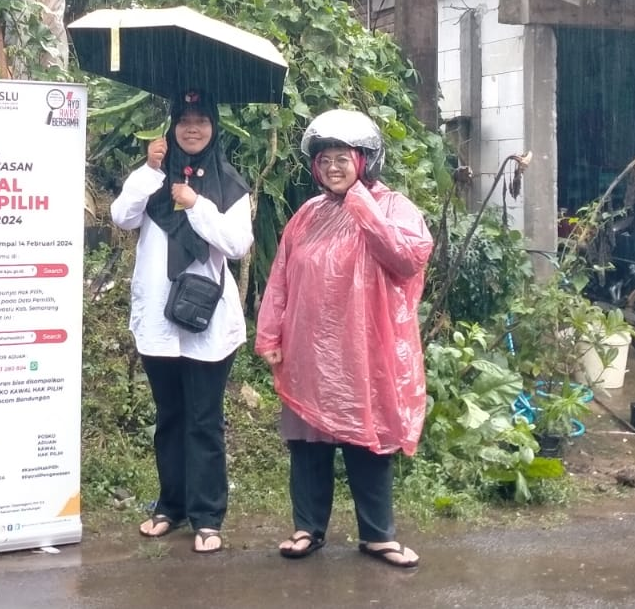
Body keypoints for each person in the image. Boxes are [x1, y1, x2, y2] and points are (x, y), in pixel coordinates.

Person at [255, 109, 433, 569]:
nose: (333, 167)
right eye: (325, 160)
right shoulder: (307, 215)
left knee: (367, 441)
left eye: (342, 158)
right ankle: (307, 528)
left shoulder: (394, 207)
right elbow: (281, 279)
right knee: (307, 442)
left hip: (365, 350)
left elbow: (407, 259)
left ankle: (378, 535)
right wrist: (270, 333)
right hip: (309, 351)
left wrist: (362, 205)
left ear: (364, 160)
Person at [110, 89, 253, 555]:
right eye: (184, 120)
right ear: (171, 127)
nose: (192, 128)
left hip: (207, 320)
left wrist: (196, 204)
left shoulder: (229, 182)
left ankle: (208, 516)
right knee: (170, 417)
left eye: (201, 120)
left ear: (214, 127)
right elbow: (121, 217)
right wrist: (150, 170)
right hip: (158, 317)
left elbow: (236, 244)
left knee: (204, 419)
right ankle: (170, 506)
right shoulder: (152, 177)